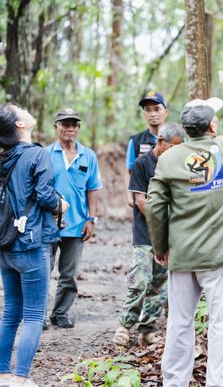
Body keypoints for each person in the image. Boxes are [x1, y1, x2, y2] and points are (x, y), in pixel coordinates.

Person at [146, 88, 223, 387]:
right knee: (222, 322)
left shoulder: (169, 159)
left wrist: (160, 246)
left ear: (185, 129)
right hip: (219, 257)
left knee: (180, 323)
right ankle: (220, 382)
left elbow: (155, 207)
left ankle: (174, 382)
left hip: (181, 255)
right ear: (212, 126)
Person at [0, 104, 66, 386]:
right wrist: (60, 203)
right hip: (32, 244)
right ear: (19, 125)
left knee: (11, 310)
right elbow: (44, 196)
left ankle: (3, 374)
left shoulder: (4, 158)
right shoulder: (38, 154)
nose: (26, 110)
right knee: (34, 313)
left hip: (6, 246)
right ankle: (20, 378)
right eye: (20, 110)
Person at [113, 123, 185, 348]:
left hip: (169, 235)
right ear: (160, 141)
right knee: (140, 280)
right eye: (172, 146)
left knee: (160, 283)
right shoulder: (142, 164)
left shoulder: (177, 165)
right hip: (146, 233)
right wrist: (160, 223)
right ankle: (125, 326)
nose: (175, 152)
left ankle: (147, 329)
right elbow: (140, 201)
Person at [46, 109, 103, 328]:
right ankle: (37, 315)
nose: (70, 128)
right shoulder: (46, 154)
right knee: (44, 271)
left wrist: (91, 218)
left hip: (77, 224)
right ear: (56, 127)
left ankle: (60, 313)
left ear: (78, 128)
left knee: (68, 273)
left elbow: (93, 189)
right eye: (65, 124)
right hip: (48, 223)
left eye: (74, 125)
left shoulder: (87, 156)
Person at [125, 91, 169, 207]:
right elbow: (130, 171)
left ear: (166, 112)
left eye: (157, 109)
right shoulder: (135, 141)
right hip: (144, 200)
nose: (152, 114)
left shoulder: (176, 139)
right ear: (144, 113)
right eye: (148, 110)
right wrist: (130, 198)